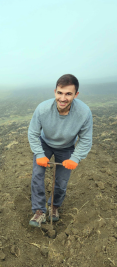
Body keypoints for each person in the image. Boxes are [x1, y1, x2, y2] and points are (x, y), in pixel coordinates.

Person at [28, 74, 93, 227]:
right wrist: (39, 154)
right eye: (60, 93)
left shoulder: (84, 113)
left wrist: (75, 158)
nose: (63, 98)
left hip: (66, 147)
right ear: (55, 92)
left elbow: (85, 139)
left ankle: (54, 206)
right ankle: (39, 211)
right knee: (38, 175)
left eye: (68, 94)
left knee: (61, 181)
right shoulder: (43, 109)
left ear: (76, 94)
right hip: (45, 143)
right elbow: (33, 133)